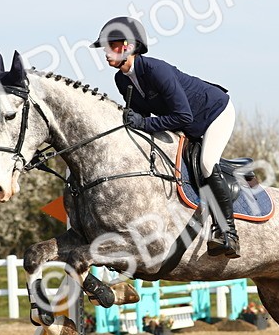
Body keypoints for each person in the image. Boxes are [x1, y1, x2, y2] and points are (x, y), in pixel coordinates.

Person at [92, 16, 241, 258]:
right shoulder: (121, 79)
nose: (105, 52)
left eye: (111, 45)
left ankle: (228, 233)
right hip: (188, 123)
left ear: (128, 46)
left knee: (206, 163)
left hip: (214, 113)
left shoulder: (156, 70)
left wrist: (143, 122)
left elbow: (183, 117)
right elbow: (141, 119)